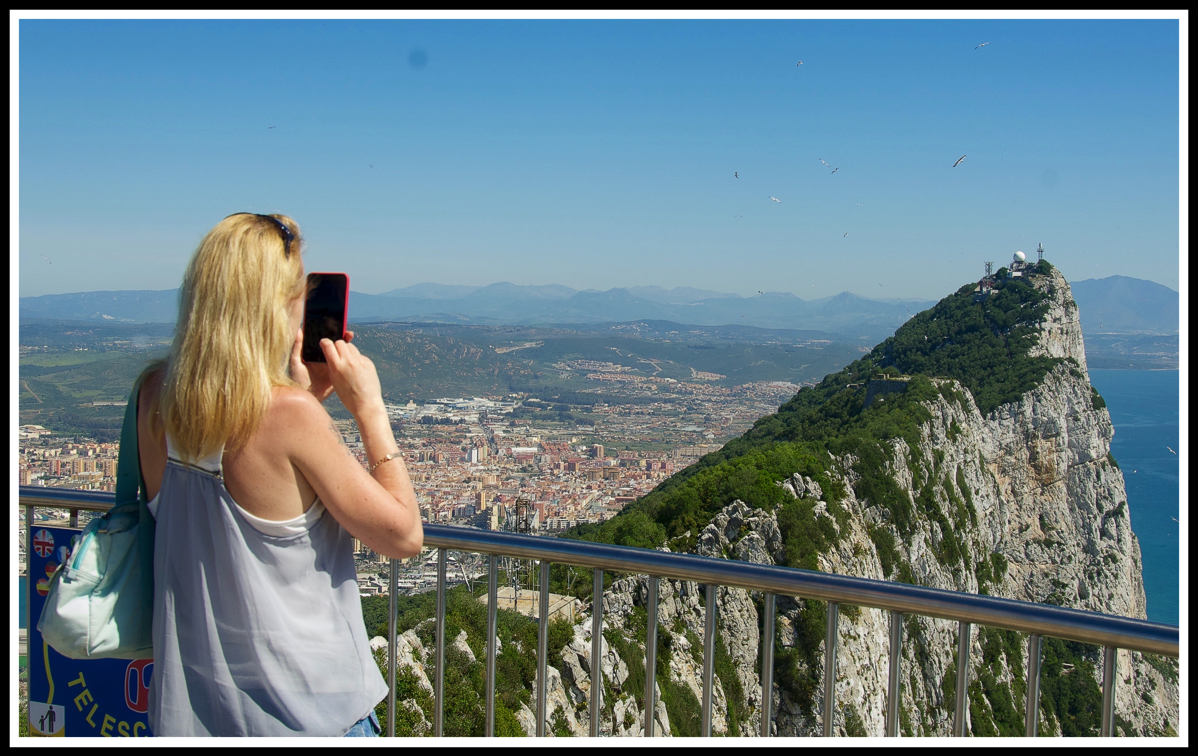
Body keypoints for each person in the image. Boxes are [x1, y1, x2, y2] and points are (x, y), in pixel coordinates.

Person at [136, 213, 423, 736]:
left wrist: (304, 396)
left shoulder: (155, 396)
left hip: (193, 716)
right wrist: (370, 410)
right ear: (277, 305)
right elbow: (403, 535)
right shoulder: (287, 417)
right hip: (308, 715)